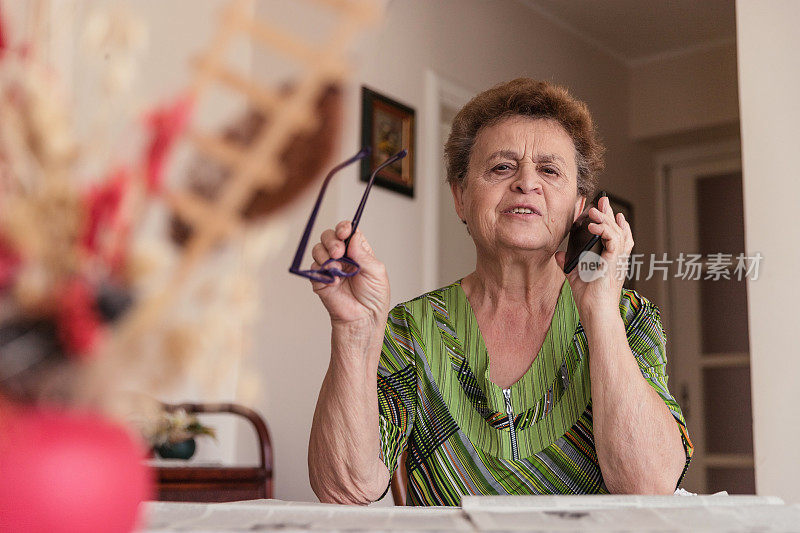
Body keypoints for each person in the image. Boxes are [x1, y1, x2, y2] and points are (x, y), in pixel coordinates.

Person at [306, 78, 693, 506]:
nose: (527, 182)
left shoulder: (628, 317)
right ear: (460, 197)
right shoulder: (410, 330)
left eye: (549, 170)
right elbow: (345, 488)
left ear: (579, 208)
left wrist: (600, 311)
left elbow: (651, 485)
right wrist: (354, 332)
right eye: (501, 167)